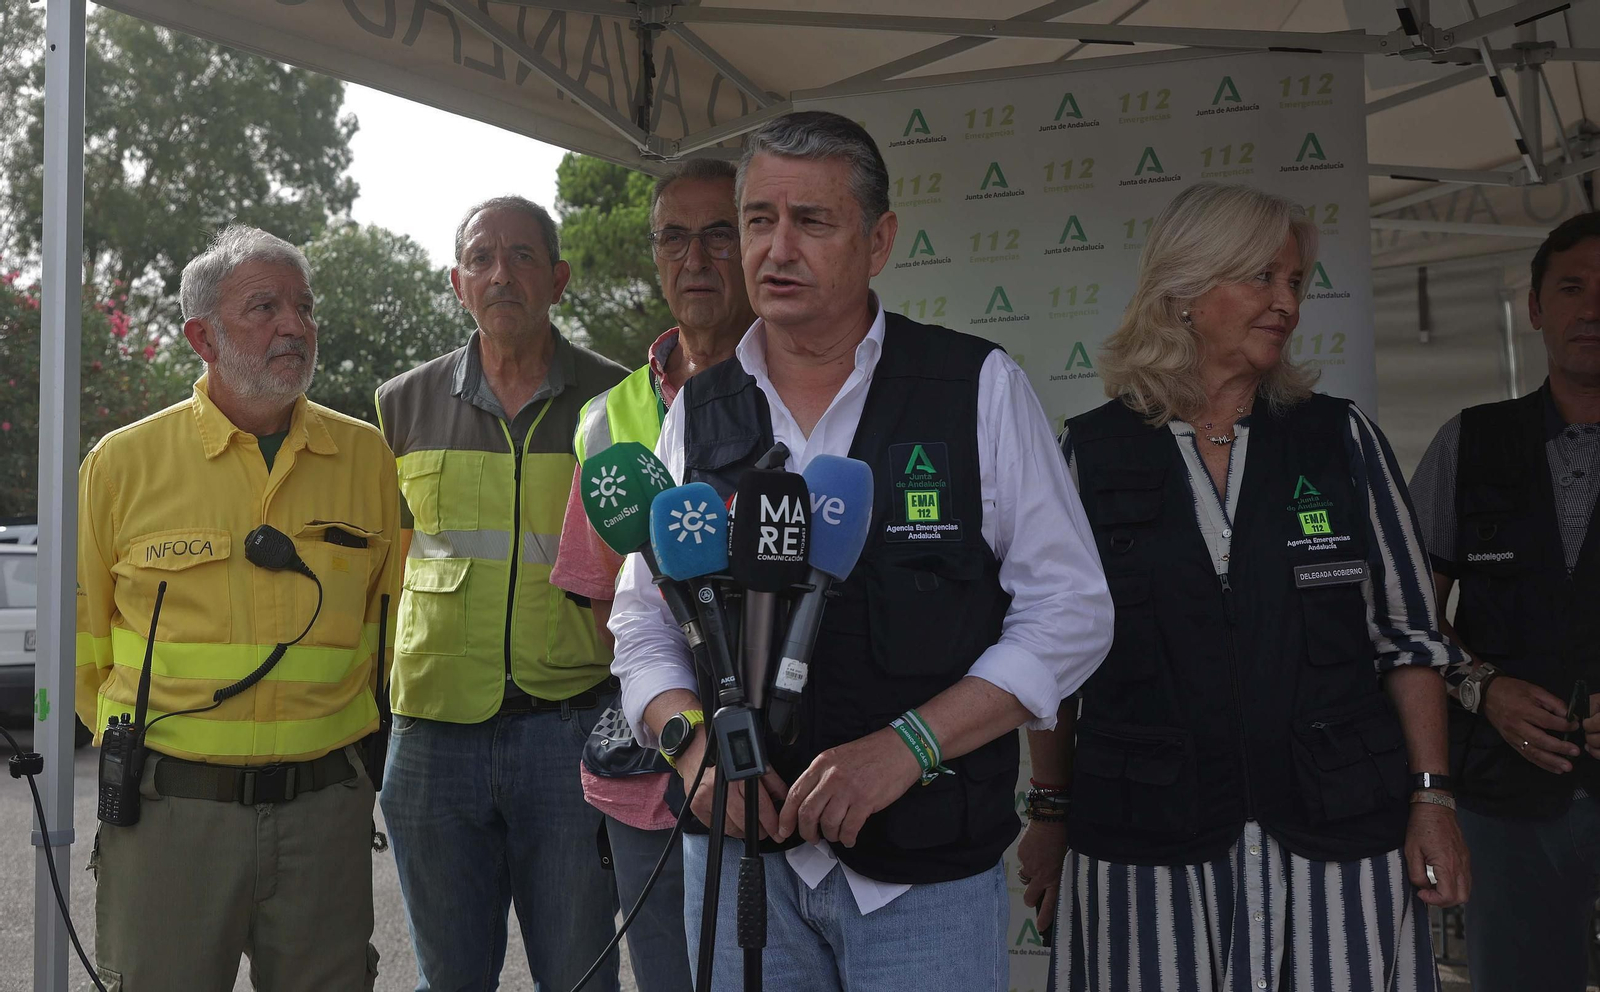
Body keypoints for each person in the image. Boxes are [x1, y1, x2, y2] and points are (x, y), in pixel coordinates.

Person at [608, 110, 1113, 992]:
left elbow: (1071, 611)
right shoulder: (698, 411)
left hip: (924, 879)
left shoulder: (976, 388)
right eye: (759, 220)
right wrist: (690, 749)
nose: (777, 248)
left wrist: (911, 743)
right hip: (741, 875)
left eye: (813, 221)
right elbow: (641, 623)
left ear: (878, 240)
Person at [1028, 182, 1469, 992]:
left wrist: (1432, 798)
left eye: (1294, 282)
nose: (1286, 303)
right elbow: (1053, 664)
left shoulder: (1340, 439)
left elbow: (1408, 635)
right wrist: (1050, 813)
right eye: (1262, 279)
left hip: (1340, 836)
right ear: (1186, 293)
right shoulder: (1088, 454)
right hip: (1147, 841)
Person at [75, 225, 399, 990]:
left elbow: (386, 632)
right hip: (172, 816)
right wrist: (141, 769)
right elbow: (85, 644)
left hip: (326, 816)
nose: (295, 326)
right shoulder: (122, 464)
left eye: (304, 307)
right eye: (264, 308)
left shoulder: (367, 459)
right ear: (202, 336)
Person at [374, 196, 628, 992]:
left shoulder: (617, 402)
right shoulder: (399, 404)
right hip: (433, 735)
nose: (500, 274)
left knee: (579, 974)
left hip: (571, 728)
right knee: (448, 981)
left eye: (522, 257)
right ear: (457, 283)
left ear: (558, 278)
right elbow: (383, 573)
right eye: (481, 259)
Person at [550, 158, 754, 992]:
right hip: (652, 786)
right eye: (675, 236)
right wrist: (676, 718)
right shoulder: (606, 419)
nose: (695, 258)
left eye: (719, 234)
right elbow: (604, 604)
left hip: (779, 780)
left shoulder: (809, 387)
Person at [1409, 211, 1600, 992]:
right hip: (1505, 800)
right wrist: (1481, 687)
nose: (1592, 308)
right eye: (1571, 287)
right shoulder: (1470, 444)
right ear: (1533, 307)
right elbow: (1406, 619)